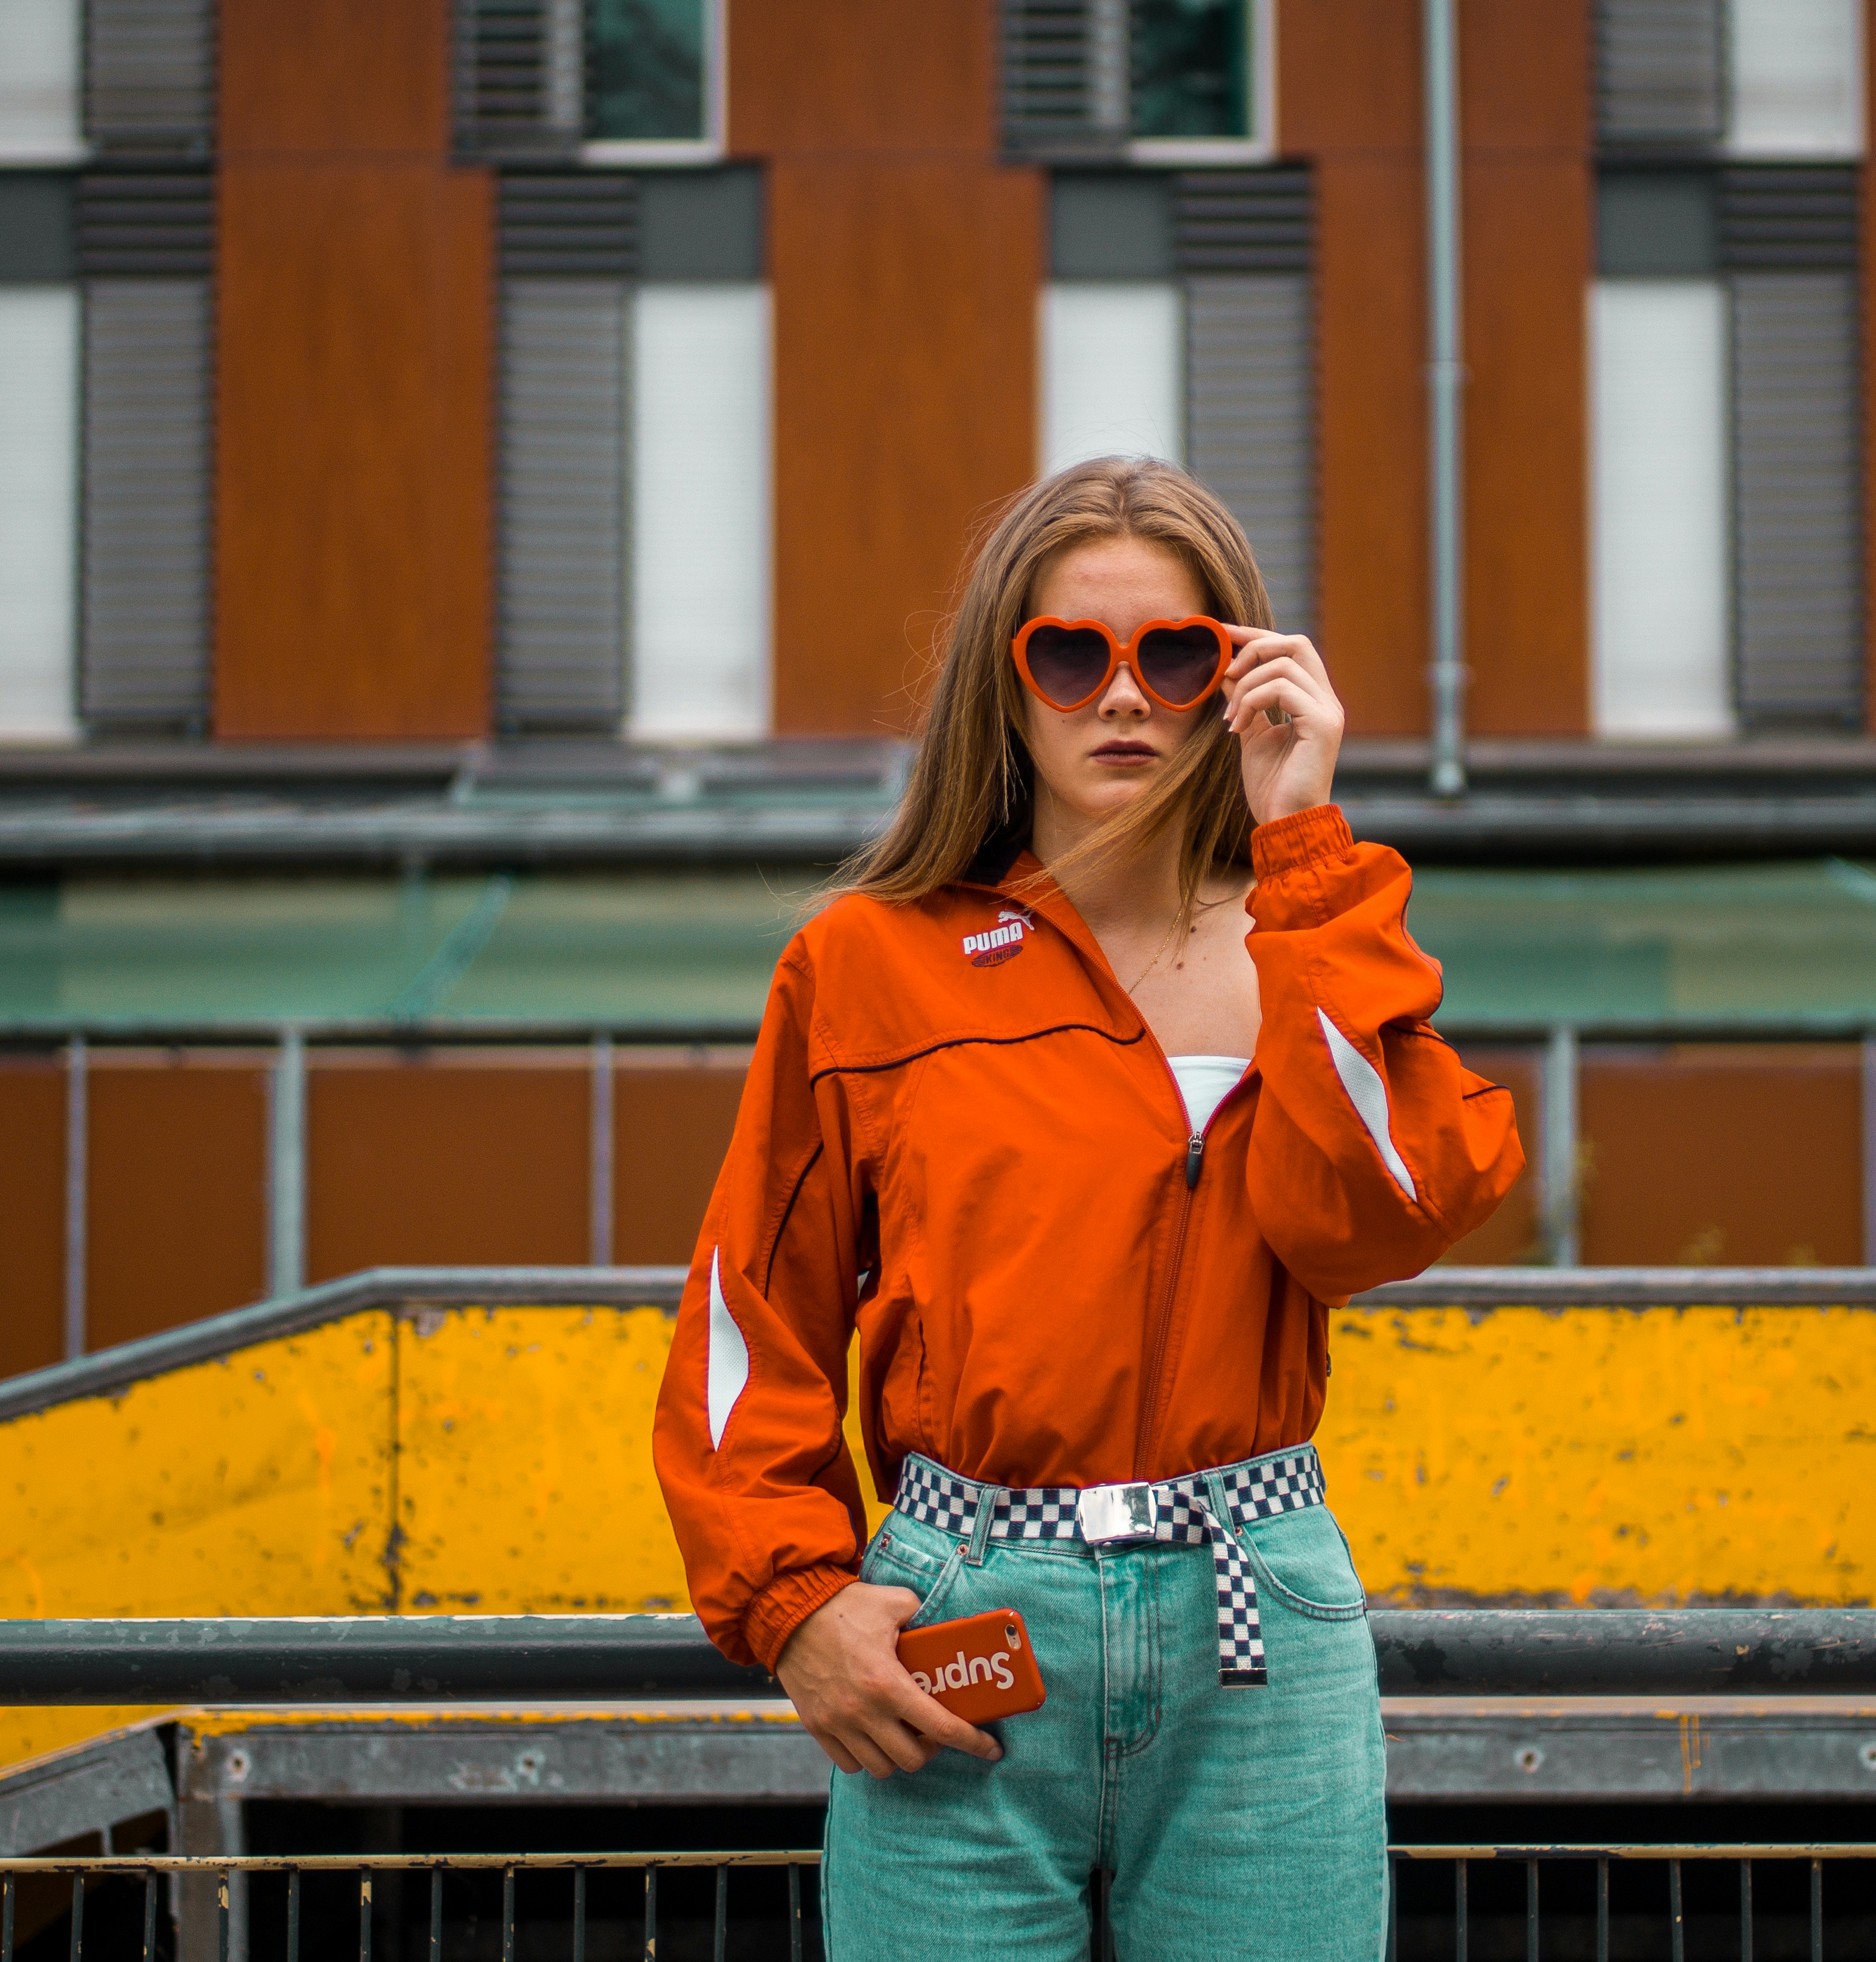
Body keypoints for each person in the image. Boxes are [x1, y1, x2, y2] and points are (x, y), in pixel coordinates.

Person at [650, 457, 1526, 1960]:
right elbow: (751, 1314)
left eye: (1172, 655)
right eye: (1069, 653)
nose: (1121, 695)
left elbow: (1379, 1211)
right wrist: (795, 1601)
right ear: (1007, 679)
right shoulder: (866, 963)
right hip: (962, 1611)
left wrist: (1300, 844)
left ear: (1233, 677)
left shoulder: (1300, 938)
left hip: (1257, 1614)